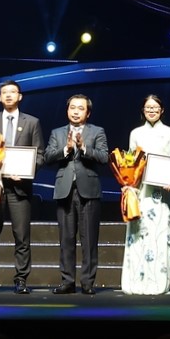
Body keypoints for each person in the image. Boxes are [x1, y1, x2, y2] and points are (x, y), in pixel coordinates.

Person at [0, 80, 42, 294]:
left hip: (20, 188)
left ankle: (21, 279)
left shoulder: (32, 122)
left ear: (20, 96)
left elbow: (39, 155)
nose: (9, 95)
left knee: (21, 235)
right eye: (5, 92)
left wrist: (26, 171)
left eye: (13, 92)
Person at [41, 93, 106, 294]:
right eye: (72, 108)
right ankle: (67, 281)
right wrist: (66, 149)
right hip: (65, 190)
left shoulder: (97, 131)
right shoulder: (57, 132)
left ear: (88, 113)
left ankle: (87, 283)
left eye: (81, 108)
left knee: (89, 240)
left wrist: (84, 148)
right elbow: (47, 157)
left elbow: (104, 157)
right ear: (67, 110)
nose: (76, 112)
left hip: (89, 190)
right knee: (66, 239)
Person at [123, 94, 170, 295]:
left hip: (162, 192)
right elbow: (130, 162)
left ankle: (159, 282)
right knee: (139, 233)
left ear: (162, 110)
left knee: (160, 234)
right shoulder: (136, 133)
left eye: (155, 108)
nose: (152, 111)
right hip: (140, 191)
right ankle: (135, 281)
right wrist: (128, 184)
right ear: (143, 110)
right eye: (148, 108)